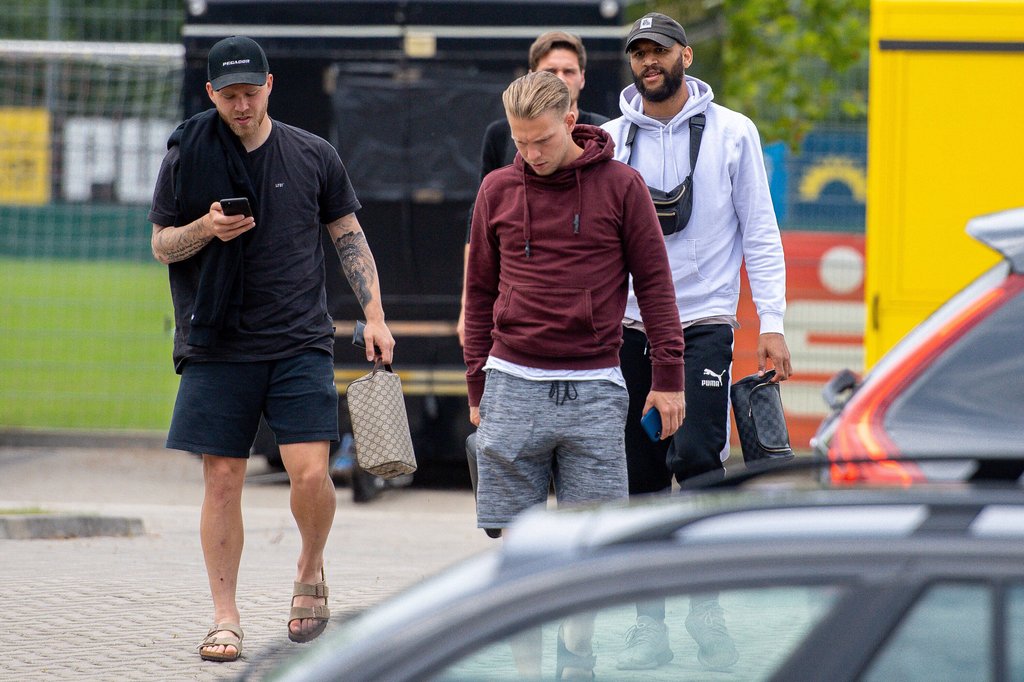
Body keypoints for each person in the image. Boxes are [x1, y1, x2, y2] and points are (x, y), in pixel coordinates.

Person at [148, 35, 395, 662]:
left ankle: (310, 566)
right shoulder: (186, 155)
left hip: (298, 338)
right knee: (222, 478)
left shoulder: (313, 154)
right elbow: (161, 245)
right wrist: (207, 228)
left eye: (251, 93)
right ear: (210, 93)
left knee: (311, 473)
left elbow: (349, 236)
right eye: (229, 95)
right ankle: (225, 617)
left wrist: (374, 316)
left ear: (270, 86)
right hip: (216, 339)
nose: (242, 106)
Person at [463, 70, 684, 679]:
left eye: (541, 140)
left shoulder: (622, 186)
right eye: (520, 142)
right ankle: (526, 673)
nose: (531, 154)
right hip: (511, 382)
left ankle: (576, 656)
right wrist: (477, 385)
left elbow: (656, 285)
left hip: (594, 387)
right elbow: (478, 293)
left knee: (590, 542)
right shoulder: (497, 190)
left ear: (570, 120)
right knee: (518, 548)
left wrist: (669, 375)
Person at [602, 13, 793, 671]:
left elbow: (760, 231)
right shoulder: (611, 140)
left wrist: (772, 322)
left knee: (699, 463)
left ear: (685, 55)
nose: (648, 62)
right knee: (642, 476)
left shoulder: (735, 132)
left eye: (659, 51)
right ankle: (648, 625)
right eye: (638, 53)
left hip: (704, 325)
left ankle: (706, 613)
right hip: (629, 328)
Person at [457, 30, 609, 346]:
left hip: (589, 308)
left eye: (569, 71)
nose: (560, 79)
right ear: (531, 76)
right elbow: (479, 224)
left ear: (582, 77)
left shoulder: (606, 133)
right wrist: (466, 307)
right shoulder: (501, 135)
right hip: (517, 298)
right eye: (550, 71)